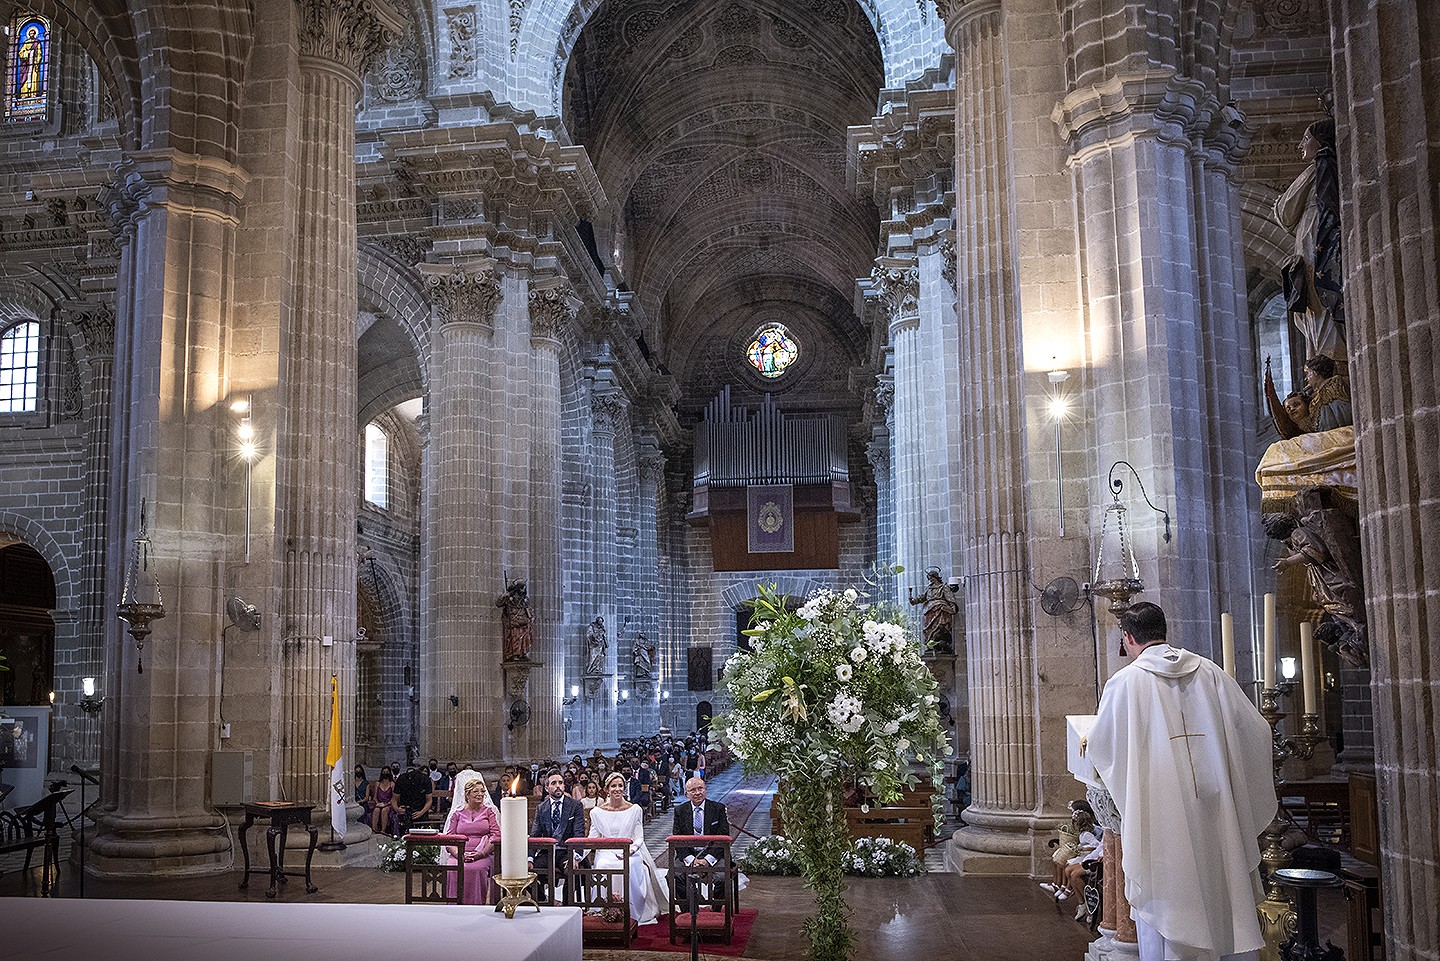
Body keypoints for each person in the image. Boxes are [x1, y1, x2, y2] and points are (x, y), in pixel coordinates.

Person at [1080, 602, 1275, 961]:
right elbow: (1258, 732)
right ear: (1164, 630)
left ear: (1128, 637)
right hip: (1217, 809)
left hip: (1160, 811)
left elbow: (1101, 747)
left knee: (1166, 898)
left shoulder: (1125, 682)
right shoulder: (1211, 673)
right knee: (1222, 886)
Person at [1274, 118, 1347, 367]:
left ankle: (1328, 367)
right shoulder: (1330, 166)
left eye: (1306, 138)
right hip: (1321, 240)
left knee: (1319, 309)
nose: (1300, 145)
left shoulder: (1318, 168)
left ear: (1321, 141)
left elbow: (1285, 212)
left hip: (1316, 240)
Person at [587, 771, 664, 924]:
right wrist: (577, 856)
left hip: (630, 851)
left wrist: (631, 850)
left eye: (620, 785)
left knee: (629, 865)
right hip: (606, 852)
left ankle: (630, 910)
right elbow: (591, 838)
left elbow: (639, 837)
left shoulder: (635, 809)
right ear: (607, 789)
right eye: (613, 786)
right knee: (603, 865)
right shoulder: (597, 812)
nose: (617, 789)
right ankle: (605, 907)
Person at [440, 771, 501, 905]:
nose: (480, 794)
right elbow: (449, 838)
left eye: (482, 791)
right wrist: (457, 854)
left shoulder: (489, 812)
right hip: (459, 854)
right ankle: (455, 904)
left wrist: (482, 853)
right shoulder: (457, 814)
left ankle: (476, 904)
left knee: (476, 868)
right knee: (453, 866)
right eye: (476, 791)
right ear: (467, 794)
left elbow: (496, 835)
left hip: (482, 853)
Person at [671, 776, 731, 911]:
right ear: (686, 794)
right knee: (675, 875)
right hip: (690, 853)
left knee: (722, 877)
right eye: (693, 790)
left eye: (700, 789)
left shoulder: (718, 808)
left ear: (705, 790)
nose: (697, 793)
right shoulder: (680, 811)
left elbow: (723, 837)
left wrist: (707, 859)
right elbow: (677, 839)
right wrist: (691, 859)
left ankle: (716, 912)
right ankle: (687, 913)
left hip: (713, 853)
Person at [531, 770, 587, 903]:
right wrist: (530, 858)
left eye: (560, 783)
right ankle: (544, 901)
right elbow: (535, 836)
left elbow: (579, 833)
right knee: (525, 872)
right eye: (554, 783)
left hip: (567, 852)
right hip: (547, 853)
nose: (558, 786)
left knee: (571, 871)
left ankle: (567, 908)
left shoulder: (575, 806)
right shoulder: (541, 808)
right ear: (547, 788)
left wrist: (576, 856)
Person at [908, 568, 960, 653]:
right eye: (929, 578)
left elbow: (950, 598)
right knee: (929, 629)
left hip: (940, 610)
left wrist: (952, 607)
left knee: (940, 628)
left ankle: (942, 645)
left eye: (931, 577)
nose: (930, 580)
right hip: (929, 611)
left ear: (935, 577)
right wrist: (913, 600)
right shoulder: (928, 588)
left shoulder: (943, 587)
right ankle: (931, 645)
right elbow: (921, 598)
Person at [496, 580, 533, 661]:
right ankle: (515, 654)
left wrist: (531, 617)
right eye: (521, 588)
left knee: (525, 639)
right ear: (517, 589)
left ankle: (523, 653)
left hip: (524, 623)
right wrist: (504, 595)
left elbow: (529, 610)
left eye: (524, 588)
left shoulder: (525, 599)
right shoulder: (509, 598)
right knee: (516, 638)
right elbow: (498, 604)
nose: (523, 590)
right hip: (514, 623)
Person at [394, 763, 435, 828]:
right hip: (406, 808)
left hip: (421, 808)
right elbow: (394, 799)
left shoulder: (425, 780)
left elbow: (429, 800)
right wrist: (397, 809)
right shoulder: (402, 779)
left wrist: (421, 812)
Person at [369, 766, 399, 835]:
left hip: (389, 804)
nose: (385, 773)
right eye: (384, 772)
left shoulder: (392, 784)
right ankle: (374, 829)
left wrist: (387, 804)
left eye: (387, 772)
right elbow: (375, 797)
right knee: (377, 810)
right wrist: (377, 803)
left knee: (384, 810)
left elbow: (393, 798)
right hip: (379, 803)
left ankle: (383, 830)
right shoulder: (378, 784)